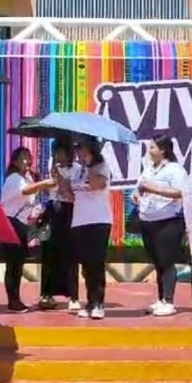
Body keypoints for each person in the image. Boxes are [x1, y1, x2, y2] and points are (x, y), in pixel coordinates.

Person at [134, 135, 189, 317]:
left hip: (169, 221)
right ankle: (160, 298)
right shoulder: (149, 169)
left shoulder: (175, 170)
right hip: (148, 220)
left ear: (163, 150)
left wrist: (153, 189)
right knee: (157, 261)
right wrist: (137, 195)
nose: (149, 151)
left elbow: (180, 192)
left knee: (166, 260)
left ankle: (169, 301)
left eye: (152, 148)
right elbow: (140, 187)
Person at [0, 147, 56, 313]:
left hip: (20, 223)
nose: (28, 161)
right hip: (10, 222)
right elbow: (25, 191)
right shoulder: (14, 178)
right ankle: (13, 300)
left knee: (17, 263)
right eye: (24, 158)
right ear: (15, 161)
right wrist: (43, 184)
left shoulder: (27, 178)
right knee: (13, 263)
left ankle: (15, 298)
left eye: (29, 157)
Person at [67, 137, 113, 320]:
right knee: (85, 265)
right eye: (77, 149)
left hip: (99, 221)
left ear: (91, 149)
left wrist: (88, 166)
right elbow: (71, 195)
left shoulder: (102, 167)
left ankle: (98, 303)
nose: (78, 152)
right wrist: (61, 180)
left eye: (82, 148)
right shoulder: (77, 171)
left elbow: (96, 186)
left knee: (96, 263)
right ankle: (90, 301)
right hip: (80, 221)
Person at [38, 139, 81, 312]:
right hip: (51, 209)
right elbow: (48, 189)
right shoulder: (50, 164)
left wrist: (59, 177)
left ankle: (73, 295)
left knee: (70, 254)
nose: (57, 156)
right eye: (55, 152)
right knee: (48, 251)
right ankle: (47, 294)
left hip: (68, 210)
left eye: (61, 152)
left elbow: (72, 194)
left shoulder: (77, 169)